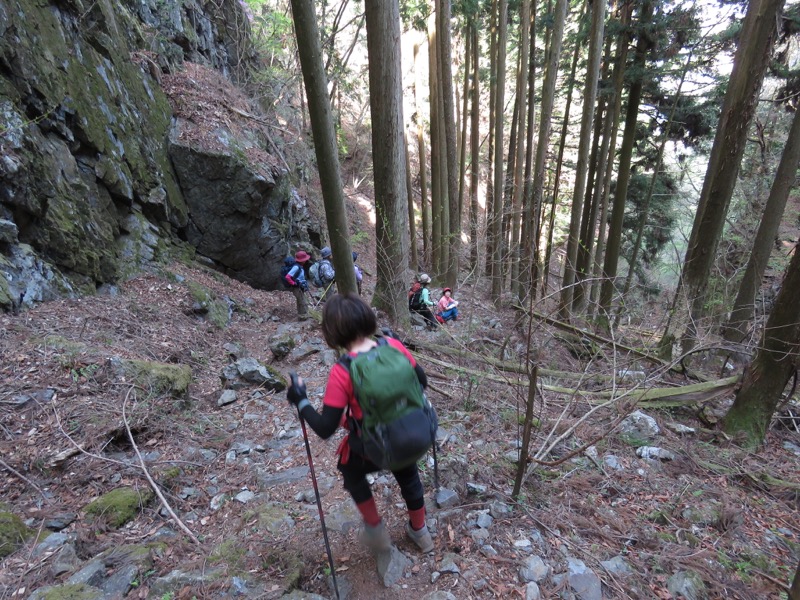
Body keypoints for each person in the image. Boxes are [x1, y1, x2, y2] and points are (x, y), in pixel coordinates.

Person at [286, 294, 435, 557]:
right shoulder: (393, 346)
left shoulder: (343, 370)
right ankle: (420, 531)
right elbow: (421, 383)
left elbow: (324, 428)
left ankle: (376, 531)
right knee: (407, 471)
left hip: (379, 447)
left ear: (332, 332)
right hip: (418, 433)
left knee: (350, 470)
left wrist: (301, 401)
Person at [285, 250, 310, 320]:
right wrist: (294, 283)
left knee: (300, 301)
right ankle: (304, 316)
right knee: (302, 301)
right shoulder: (296, 267)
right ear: (302, 260)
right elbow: (287, 277)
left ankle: (301, 315)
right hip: (297, 287)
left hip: (300, 287)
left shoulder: (299, 266)